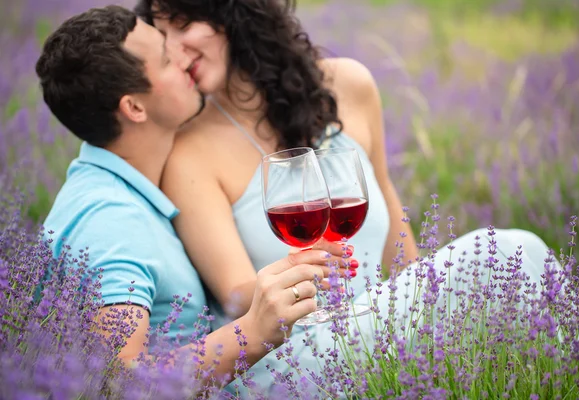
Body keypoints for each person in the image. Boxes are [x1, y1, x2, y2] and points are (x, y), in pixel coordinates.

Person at [134, 0, 553, 396]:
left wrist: (426, 301)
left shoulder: (349, 85)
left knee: (512, 269)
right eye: (162, 30)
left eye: (184, 24)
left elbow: (395, 232)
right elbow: (235, 294)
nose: (173, 46)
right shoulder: (189, 151)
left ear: (234, 14)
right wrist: (305, 275)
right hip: (296, 357)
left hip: (385, 325)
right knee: (509, 249)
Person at [36, 5, 353, 385]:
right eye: (168, 59)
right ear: (134, 107)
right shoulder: (109, 219)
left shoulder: (125, 194)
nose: (185, 61)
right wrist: (251, 332)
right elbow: (115, 384)